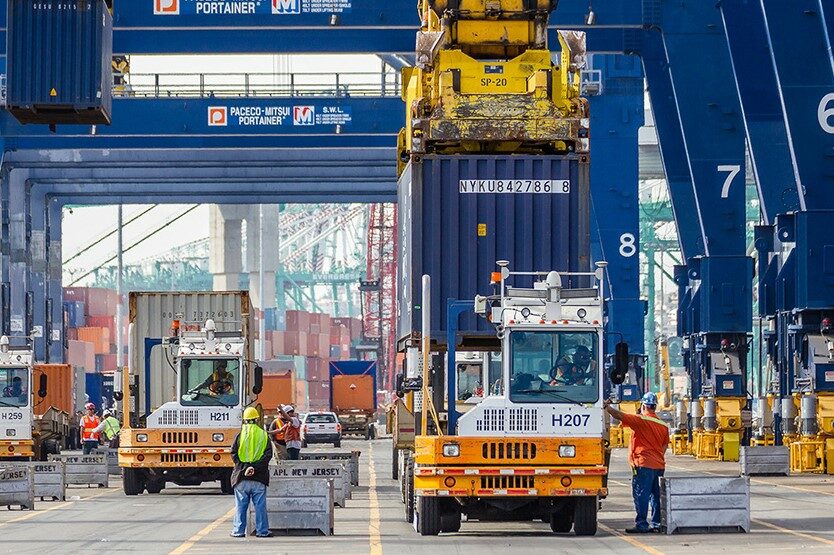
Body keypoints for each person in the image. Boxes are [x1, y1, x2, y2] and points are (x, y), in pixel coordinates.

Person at [604, 392, 669, 533]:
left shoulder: (641, 420)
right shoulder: (663, 425)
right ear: (655, 406)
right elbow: (665, 445)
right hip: (659, 465)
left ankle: (642, 524)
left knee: (641, 494)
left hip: (643, 464)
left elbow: (620, 416)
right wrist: (657, 456)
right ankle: (657, 523)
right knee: (656, 496)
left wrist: (607, 407)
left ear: (644, 405)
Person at [230, 407, 272, 538]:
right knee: (260, 507)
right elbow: (268, 455)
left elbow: (233, 454)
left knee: (240, 507)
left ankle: (238, 531)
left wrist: (245, 468)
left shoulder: (239, 435)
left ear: (244, 420)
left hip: (241, 478)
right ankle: (262, 531)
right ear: (256, 419)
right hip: (259, 478)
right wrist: (254, 468)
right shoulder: (264, 435)